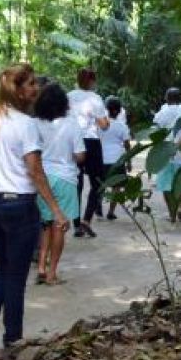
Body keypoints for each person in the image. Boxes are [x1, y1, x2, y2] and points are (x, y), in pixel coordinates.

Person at [0, 64, 68, 360]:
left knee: (5, 270)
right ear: (18, 90)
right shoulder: (25, 124)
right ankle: (13, 340)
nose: (36, 88)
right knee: (15, 276)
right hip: (18, 206)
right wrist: (55, 209)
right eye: (31, 84)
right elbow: (35, 171)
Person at [33, 83, 85, 286]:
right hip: (65, 178)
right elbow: (80, 156)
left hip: (41, 178)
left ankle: (41, 267)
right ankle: (52, 272)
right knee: (60, 225)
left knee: (46, 225)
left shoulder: (34, 123)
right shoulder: (71, 124)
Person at [66, 68, 106, 238]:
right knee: (98, 182)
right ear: (92, 82)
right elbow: (104, 125)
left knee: (77, 182)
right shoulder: (95, 99)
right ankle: (87, 220)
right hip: (91, 141)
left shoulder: (68, 96)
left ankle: (76, 224)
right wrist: (102, 120)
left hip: (72, 141)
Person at [152, 88, 181, 223]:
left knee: (166, 184)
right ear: (180, 98)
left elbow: (154, 136)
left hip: (165, 154)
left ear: (166, 98)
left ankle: (172, 213)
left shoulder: (160, 114)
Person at [96, 97, 132, 220]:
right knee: (116, 187)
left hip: (101, 159)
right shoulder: (122, 126)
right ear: (119, 110)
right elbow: (127, 145)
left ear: (106, 109)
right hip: (117, 160)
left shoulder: (99, 125)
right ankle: (111, 212)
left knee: (101, 185)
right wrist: (129, 161)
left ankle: (99, 209)